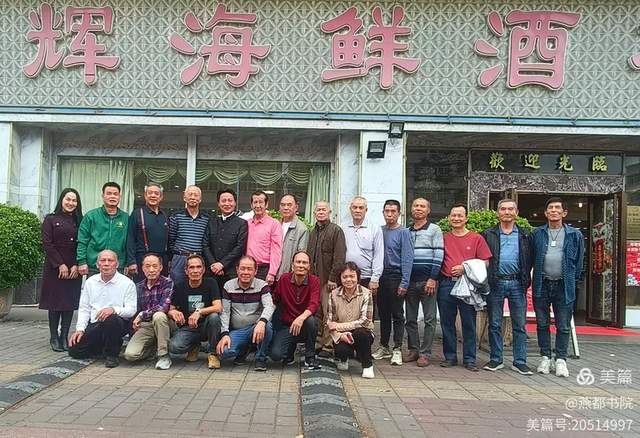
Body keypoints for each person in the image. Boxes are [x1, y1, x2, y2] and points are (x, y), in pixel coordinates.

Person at [532, 197, 585, 378]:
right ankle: (545, 357)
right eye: (550, 208)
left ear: (564, 213)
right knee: (542, 323)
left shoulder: (574, 235)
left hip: (564, 285)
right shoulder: (537, 234)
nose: (553, 210)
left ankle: (561, 359)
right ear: (545, 213)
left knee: (563, 325)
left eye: (557, 208)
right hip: (542, 283)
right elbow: (531, 258)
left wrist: (573, 281)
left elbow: (579, 261)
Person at [481, 199, 534, 375]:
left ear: (516, 213)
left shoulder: (526, 235)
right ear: (498, 213)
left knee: (519, 325)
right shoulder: (488, 234)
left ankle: (520, 361)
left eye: (511, 209)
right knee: (494, 324)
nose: (507, 212)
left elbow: (531, 259)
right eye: (503, 209)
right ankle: (496, 359)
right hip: (495, 282)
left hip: (517, 283)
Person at [438, 204, 492, 372]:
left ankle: (470, 359)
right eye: (453, 215)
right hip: (447, 283)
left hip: (468, 285)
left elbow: (485, 262)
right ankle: (450, 357)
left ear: (466, 218)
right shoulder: (443, 238)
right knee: (447, 322)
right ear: (449, 218)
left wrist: (465, 268)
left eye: (460, 215)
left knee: (469, 322)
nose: (456, 218)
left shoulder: (476, 238)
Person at [68, 250, 137, 368]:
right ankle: (104, 346)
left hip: (118, 323)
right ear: (97, 264)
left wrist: (113, 309)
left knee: (111, 319)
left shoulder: (127, 283)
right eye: (103, 260)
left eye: (110, 260)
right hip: (96, 324)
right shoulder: (90, 282)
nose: (106, 264)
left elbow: (131, 310)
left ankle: (112, 355)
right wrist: (80, 329)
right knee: (75, 350)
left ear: (117, 264)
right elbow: (84, 308)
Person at [40, 188, 83, 352]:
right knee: (55, 302)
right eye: (68, 199)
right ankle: (54, 337)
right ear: (61, 200)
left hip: (73, 267)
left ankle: (64, 335)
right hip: (54, 267)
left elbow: (82, 243)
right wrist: (60, 264)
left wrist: (76, 264)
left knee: (69, 302)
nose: (71, 203)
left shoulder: (80, 221)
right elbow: (47, 244)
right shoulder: (50, 219)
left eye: (74, 200)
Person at [372, 200, 413, 366]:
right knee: (383, 314)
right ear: (383, 212)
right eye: (387, 211)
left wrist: (405, 282)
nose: (389, 214)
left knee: (397, 314)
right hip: (381, 276)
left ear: (399, 213)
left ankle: (397, 348)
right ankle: (384, 346)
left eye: (393, 211)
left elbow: (408, 258)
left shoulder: (404, 232)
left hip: (396, 276)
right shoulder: (379, 230)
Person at [216, 256, 275, 372]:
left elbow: (269, 306)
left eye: (249, 269)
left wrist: (262, 322)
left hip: (256, 328)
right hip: (237, 330)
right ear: (237, 270)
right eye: (242, 268)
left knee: (267, 326)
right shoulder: (228, 286)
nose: (246, 272)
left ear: (255, 271)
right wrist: (225, 334)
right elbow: (225, 312)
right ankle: (243, 350)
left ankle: (260, 358)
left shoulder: (262, 285)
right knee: (224, 352)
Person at [404, 198, 443, 367]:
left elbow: (439, 255)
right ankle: (414, 350)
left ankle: (425, 353)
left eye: (422, 206)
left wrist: (433, 278)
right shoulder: (407, 231)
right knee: (410, 319)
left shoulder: (434, 229)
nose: (418, 208)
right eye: (415, 206)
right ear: (411, 209)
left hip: (428, 282)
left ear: (428, 210)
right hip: (410, 282)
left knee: (429, 319)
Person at [168, 254, 222, 369]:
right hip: (189, 327)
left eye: (198, 267)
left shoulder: (211, 283)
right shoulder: (180, 286)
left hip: (207, 326)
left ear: (203, 269)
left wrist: (199, 312)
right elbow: (171, 309)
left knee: (214, 317)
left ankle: (213, 353)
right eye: (191, 267)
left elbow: (218, 307)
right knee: (174, 347)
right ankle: (194, 346)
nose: (195, 271)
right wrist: (173, 312)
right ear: (186, 271)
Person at [307, 201, 346, 356]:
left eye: (324, 209)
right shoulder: (312, 232)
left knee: (329, 313)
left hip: (328, 280)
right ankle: (318, 342)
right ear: (314, 213)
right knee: (317, 313)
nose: (321, 212)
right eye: (318, 210)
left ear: (330, 212)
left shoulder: (336, 231)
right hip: (314, 280)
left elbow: (339, 257)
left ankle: (328, 346)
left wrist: (333, 278)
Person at [270, 251, 321, 369]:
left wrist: (301, 318)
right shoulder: (284, 279)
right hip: (287, 326)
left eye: (304, 263)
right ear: (292, 265)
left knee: (311, 321)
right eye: (298, 262)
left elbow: (314, 304)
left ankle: (310, 357)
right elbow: (275, 300)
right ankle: (290, 350)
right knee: (276, 355)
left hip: (305, 325)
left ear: (309, 266)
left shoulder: (314, 280)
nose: (301, 265)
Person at [123, 253, 174, 370]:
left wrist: (142, 315)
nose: (151, 270)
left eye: (155, 266)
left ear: (161, 267)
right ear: (142, 268)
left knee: (159, 315)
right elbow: (134, 311)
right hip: (146, 325)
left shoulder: (168, 282)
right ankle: (152, 349)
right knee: (130, 355)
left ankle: (164, 355)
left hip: (164, 323)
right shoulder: (138, 287)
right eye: (147, 266)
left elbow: (164, 306)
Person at [327, 262, 375, 379]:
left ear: (358, 277)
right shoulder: (333, 294)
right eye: (345, 277)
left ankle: (367, 365)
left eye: (352, 276)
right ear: (340, 278)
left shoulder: (366, 293)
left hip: (362, 332)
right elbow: (330, 322)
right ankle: (344, 359)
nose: (348, 280)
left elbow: (365, 321)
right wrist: (340, 335)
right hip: (343, 335)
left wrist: (339, 326)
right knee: (341, 349)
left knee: (360, 334)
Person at [77, 182, 128, 276]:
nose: (112, 196)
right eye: (109, 193)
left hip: (118, 266)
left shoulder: (126, 218)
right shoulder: (91, 216)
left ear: (119, 197)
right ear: (103, 196)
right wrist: (81, 261)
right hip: (95, 266)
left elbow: (129, 243)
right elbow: (82, 240)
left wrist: (128, 262)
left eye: (115, 194)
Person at [202, 188, 248, 292]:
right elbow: (205, 245)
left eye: (230, 200)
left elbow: (240, 247)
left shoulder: (242, 223)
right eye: (223, 201)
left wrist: (222, 264)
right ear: (218, 204)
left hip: (231, 272)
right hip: (211, 271)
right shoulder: (211, 222)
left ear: (235, 203)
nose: (227, 203)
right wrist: (213, 264)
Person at [126, 183, 169, 282]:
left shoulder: (164, 215)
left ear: (161, 197)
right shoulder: (137, 213)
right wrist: (131, 262)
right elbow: (130, 238)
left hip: (162, 261)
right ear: (145, 195)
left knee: (161, 288)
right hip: (142, 260)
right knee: (142, 288)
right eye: (150, 193)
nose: (153, 195)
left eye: (156, 193)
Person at [168, 185, 209, 285]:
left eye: (196, 195)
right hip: (180, 258)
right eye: (190, 194)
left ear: (200, 199)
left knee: (197, 287)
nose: (193, 197)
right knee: (177, 286)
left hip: (198, 259)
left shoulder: (206, 218)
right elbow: (171, 240)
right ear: (184, 198)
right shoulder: (176, 216)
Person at [344, 196, 383, 293]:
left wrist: (375, 279)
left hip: (366, 278)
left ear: (366, 210)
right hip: (347, 277)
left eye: (361, 208)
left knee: (367, 303)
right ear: (350, 209)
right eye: (355, 207)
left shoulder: (374, 228)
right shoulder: (343, 227)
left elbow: (378, 255)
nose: (357, 210)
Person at [245, 190, 282, 285]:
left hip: (264, 269)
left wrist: (272, 273)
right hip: (247, 268)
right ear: (251, 205)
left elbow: (276, 250)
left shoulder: (274, 224)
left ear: (266, 204)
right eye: (255, 202)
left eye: (261, 202)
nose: (258, 205)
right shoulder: (246, 224)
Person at [276, 194, 309, 280]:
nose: (286, 208)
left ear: (296, 207)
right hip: (271, 274)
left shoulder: (302, 229)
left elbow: (301, 256)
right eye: (283, 205)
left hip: (289, 277)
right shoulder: (275, 225)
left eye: (289, 205)